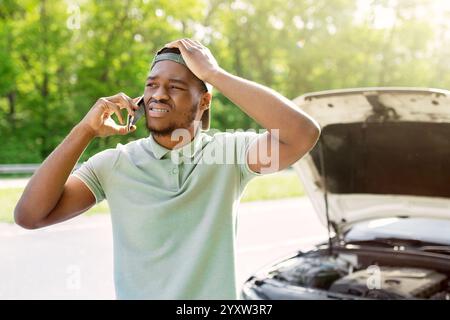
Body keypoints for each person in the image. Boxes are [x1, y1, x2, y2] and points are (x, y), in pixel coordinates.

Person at [14, 38, 320, 299]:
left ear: (204, 102)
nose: (159, 94)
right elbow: (30, 215)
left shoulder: (230, 154)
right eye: (151, 86)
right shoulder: (113, 164)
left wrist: (213, 73)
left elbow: (302, 134)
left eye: (175, 87)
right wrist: (85, 130)